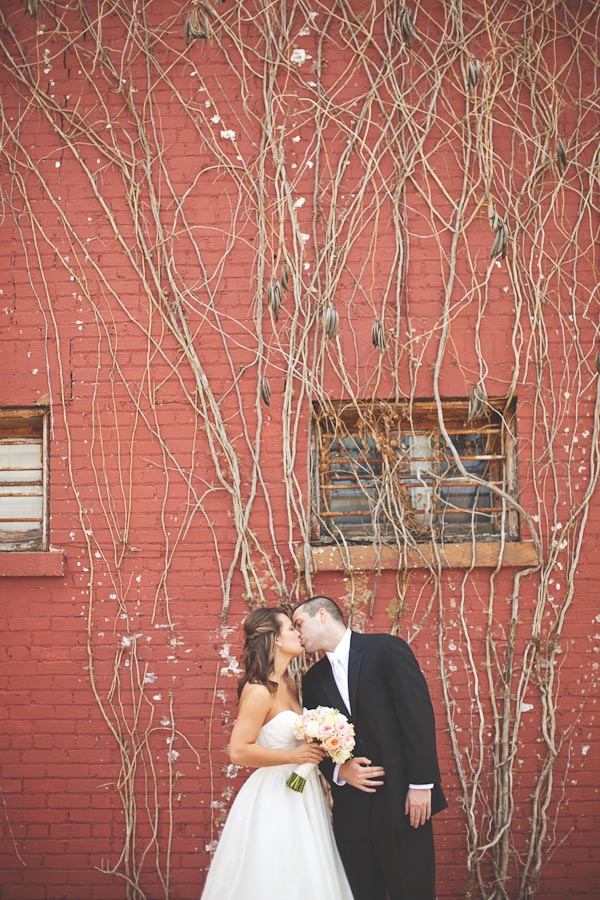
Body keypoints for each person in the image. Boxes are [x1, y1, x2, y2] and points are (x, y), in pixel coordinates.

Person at [293, 595, 448, 900]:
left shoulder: (386, 650)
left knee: (413, 892)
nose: (297, 633)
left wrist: (421, 785)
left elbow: (417, 716)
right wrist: (340, 771)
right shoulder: (313, 680)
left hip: (403, 802)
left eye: (299, 623)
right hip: (353, 813)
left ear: (321, 614)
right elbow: (316, 743)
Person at [200, 606, 355, 900]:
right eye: (291, 628)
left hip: (303, 791)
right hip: (275, 794)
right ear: (275, 639)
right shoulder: (259, 690)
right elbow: (239, 751)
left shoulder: (289, 685)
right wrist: (295, 757)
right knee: (278, 871)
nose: (298, 633)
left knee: (306, 871)